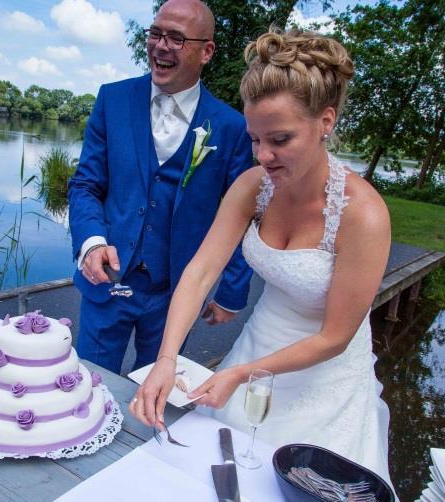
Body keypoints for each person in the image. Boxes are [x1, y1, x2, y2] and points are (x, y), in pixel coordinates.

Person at [130, 28, 395, 488]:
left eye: (280, 139)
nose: (263, 155)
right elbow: (200, 272)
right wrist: (167, 357)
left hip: (323, 378)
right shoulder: (254, 186)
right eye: (255, 139)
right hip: (257, 347)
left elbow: (334, 337)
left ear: (326, 121)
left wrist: (238, 373)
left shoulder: (364, 215)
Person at [68, 0, 254, 374]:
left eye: (176, 38)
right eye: (155, 33)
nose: (161, 45)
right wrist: (91, 242)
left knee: (154, 394)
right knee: (87, 382)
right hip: (109, 283)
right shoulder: (112, 100)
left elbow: (245, 211)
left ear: (207, 51)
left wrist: (232, 292)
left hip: (176, 292)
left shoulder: (231, 127)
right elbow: (86, 184)